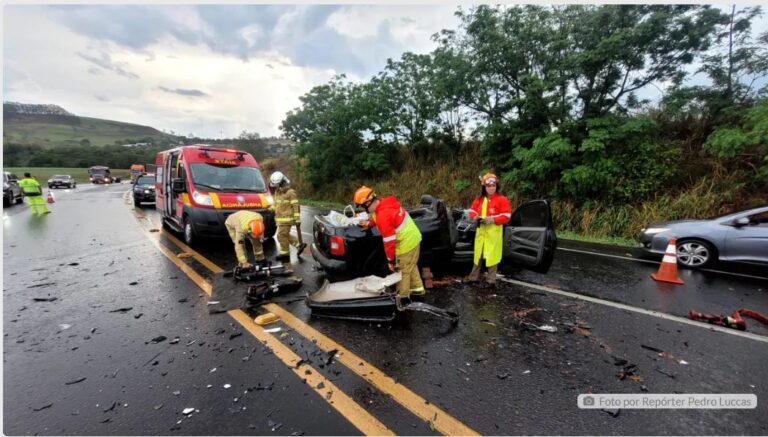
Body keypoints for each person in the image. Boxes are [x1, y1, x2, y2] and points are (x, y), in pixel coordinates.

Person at [354, 186, 424, 304]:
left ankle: (403, 299)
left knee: (402, 271)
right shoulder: (383, 204)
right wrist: (369, 223)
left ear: (368, 203)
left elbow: (389, 242)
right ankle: (418, 290)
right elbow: (376, 216)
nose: (363, 210)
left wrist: (390, 261)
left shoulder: (383, 216)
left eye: (363, 207)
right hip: (413, 238)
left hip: (407, 243)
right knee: (410, 266)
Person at [466, 173, 511, 285]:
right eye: (488, 186)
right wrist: (475, 217)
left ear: (496, 186)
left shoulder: (502, 199)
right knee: (478, 255)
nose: (491, 188)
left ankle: (491, 281)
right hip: (481, 232)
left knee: (492, 257)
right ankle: (473, 278)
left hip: (493, 234)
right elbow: (472, 211)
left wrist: (492, 219)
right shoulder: (480, 199)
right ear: (484, 187)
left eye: (493, 185)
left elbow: (507, 216)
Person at [269, 171, 307, 260]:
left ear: (282, 182)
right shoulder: (277, 192)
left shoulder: (290, 193)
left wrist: (297, 219)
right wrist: (270, 209)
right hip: (280, 219)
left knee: (281, 236)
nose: (276, 186)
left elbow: (296, 206)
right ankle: (299, 245)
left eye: (277, 184)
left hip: (287, 219)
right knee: (285, 235)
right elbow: (276, 204)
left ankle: (285, 254)